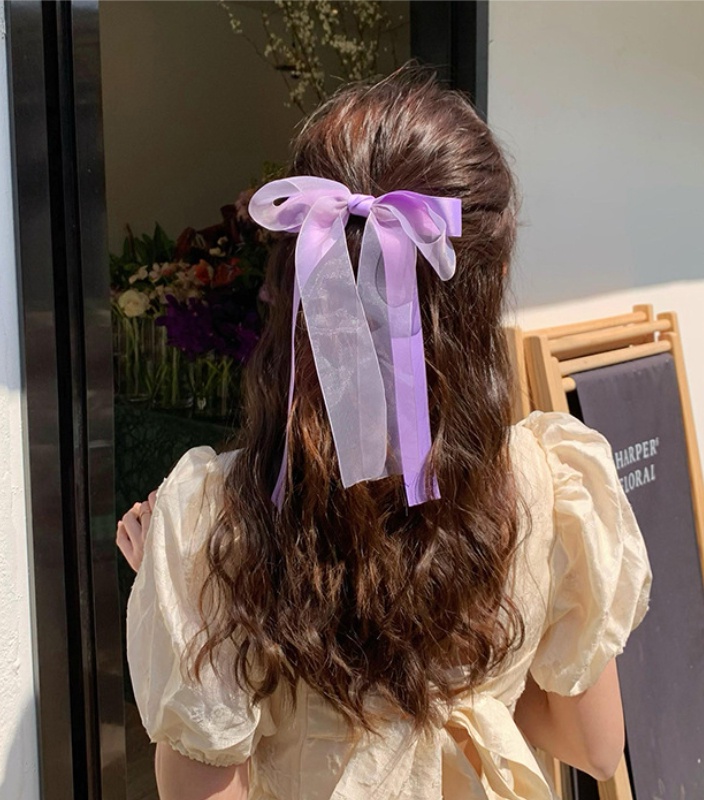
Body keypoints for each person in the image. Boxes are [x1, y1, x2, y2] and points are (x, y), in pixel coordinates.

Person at [116, 63, 651, 800]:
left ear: (296, 281)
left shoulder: (216, 521)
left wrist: (174, 586)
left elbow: (203, 785)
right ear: (489, 281)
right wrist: (468, 680)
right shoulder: (550, 487)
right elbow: (595, 745)